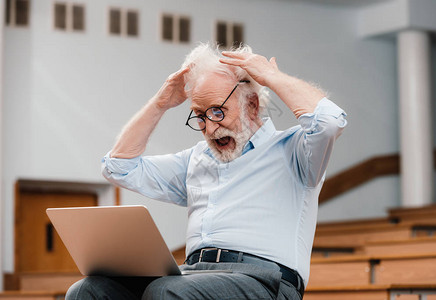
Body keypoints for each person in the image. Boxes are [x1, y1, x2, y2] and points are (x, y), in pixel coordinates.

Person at [66, 43, 347, 300]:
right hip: (192, 274)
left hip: (266, 282)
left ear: (252, 104)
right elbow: (118, 168)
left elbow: (330, 121)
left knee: (166, 292)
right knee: (89, 290)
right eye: (200, 116)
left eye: (217, 111)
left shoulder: (295, 150)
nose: (210, 128)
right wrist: (160, 103)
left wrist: (270, 77)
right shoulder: (195, 159)